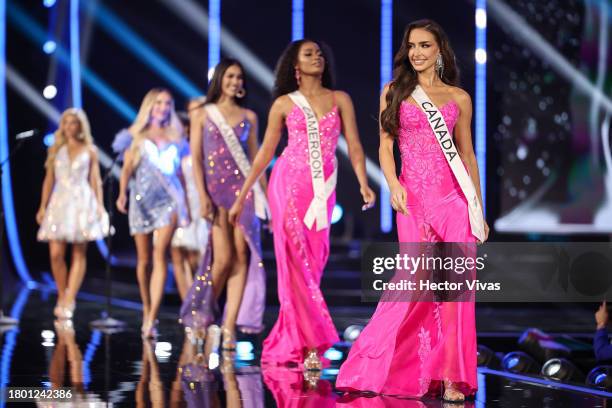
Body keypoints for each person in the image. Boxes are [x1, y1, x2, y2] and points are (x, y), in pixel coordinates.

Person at [336, 19, 489, 402]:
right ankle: (390, 366)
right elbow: (385, 146)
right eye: (412, 46)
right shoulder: (395, 91)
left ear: (440, 51)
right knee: (413, 284)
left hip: (453, 202)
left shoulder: (459, 98)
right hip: (413, 202)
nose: (417, 52)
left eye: (425, 45)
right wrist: (393, 185)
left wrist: (477, 209)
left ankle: (453, 377)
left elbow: (467, 155)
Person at [228, 40, 376, 369]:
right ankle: (309, 345)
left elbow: (353, 144)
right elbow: (265, 153)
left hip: (322, 190)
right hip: (288, 187)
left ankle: (299, 335)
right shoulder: (283, 103)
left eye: (320, 53)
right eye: (309, 54)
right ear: (295, 65)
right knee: (296, 267)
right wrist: (243, 196)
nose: (317, 57)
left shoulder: (340, 100)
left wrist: (364, 183)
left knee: (315, 261)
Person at [180, 59, 267, 349]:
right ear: (220, 79)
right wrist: (203, 197)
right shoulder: (203, 114)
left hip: (244, 193)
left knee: (242, 256)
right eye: (230, 76)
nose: (235, 81)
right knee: (222, 259)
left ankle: (228, 328)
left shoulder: (250, 117)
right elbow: (196, 157)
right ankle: (202, 316)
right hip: (216, 194)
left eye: (239, 77)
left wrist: (268, 198)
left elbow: (257, 160)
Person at [114, 88, 190, 338]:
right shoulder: (135, 135)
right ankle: (146, 306)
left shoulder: (177, 135)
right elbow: (126, 169)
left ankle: (151, 316)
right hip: (141, 199)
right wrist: (122, 193)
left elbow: (181, 172)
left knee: (161, 255)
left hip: (168, 200)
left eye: (168, 103)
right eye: (159, 102)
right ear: (150, 105)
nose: (164, 107)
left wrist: (186, 202)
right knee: (144, 259)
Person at [37, 108, 108, 320]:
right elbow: (49, 179)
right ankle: (62, 293)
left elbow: (95, 179)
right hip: (60, 201)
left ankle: (70, 299)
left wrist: (100, 205)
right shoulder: (55, 149)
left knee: (79, 253)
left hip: (81, 201)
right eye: (66, 122)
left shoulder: (90, 149)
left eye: (74, 122)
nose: (70, 126)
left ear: (80, 126)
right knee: (56, 254)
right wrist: (42, 205)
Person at [170, 98, 209, 300]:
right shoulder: (179, 142)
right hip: (182, 200)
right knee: (179, 250)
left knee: (199, 255)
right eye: (191, 110)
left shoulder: (208, 137)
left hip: (202, 200)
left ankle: (200, 300)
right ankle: (188, 305)